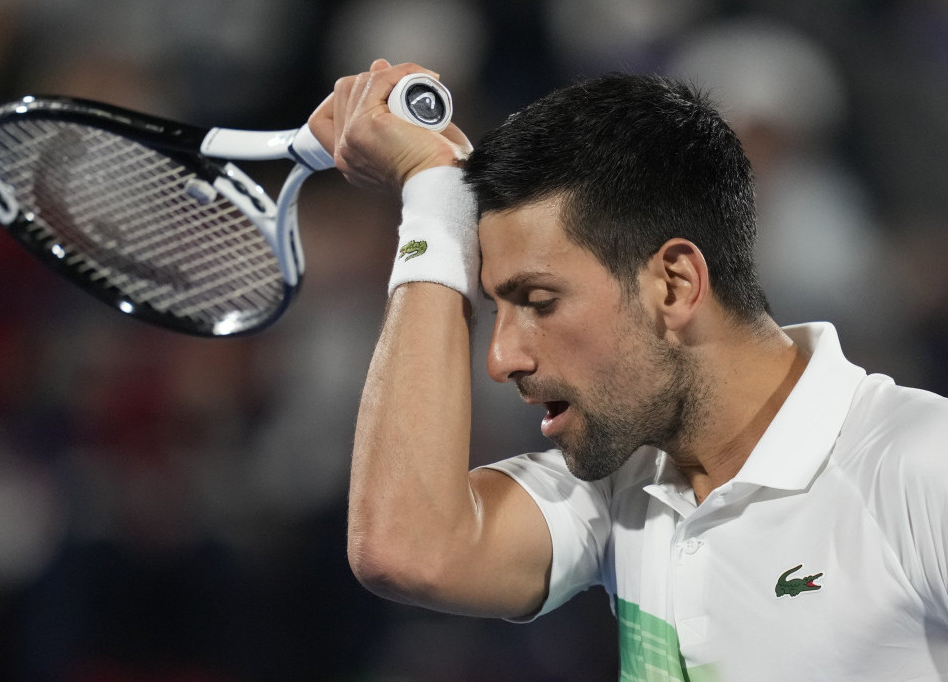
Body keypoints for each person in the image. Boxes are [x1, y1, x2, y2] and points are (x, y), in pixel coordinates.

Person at [308, 59, 948, 680]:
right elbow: (406, 546)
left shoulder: (922, 467)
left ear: (674, 285)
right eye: (498, 308)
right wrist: (435, 198)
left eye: (539, 302)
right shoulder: (618, 482)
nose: (501, 359)